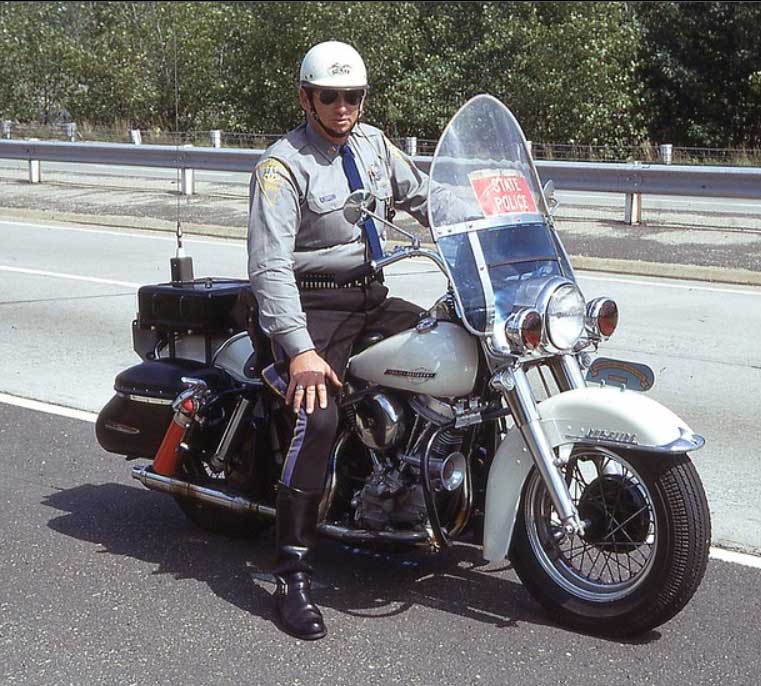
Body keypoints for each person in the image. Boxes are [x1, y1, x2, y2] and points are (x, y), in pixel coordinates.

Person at [247, 40, 432, 640]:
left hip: (367, 296)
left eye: (352, 95)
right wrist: (299, 349)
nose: (343, 106)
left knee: (457, 347)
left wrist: (492, 212)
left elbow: (426, 197)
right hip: (309, 306)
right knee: (318, 417)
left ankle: (413, 483)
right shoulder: (281, 166)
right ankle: (290, 576)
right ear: (306, 97)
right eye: (330, 96)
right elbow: (269, 266)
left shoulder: (375, 145)